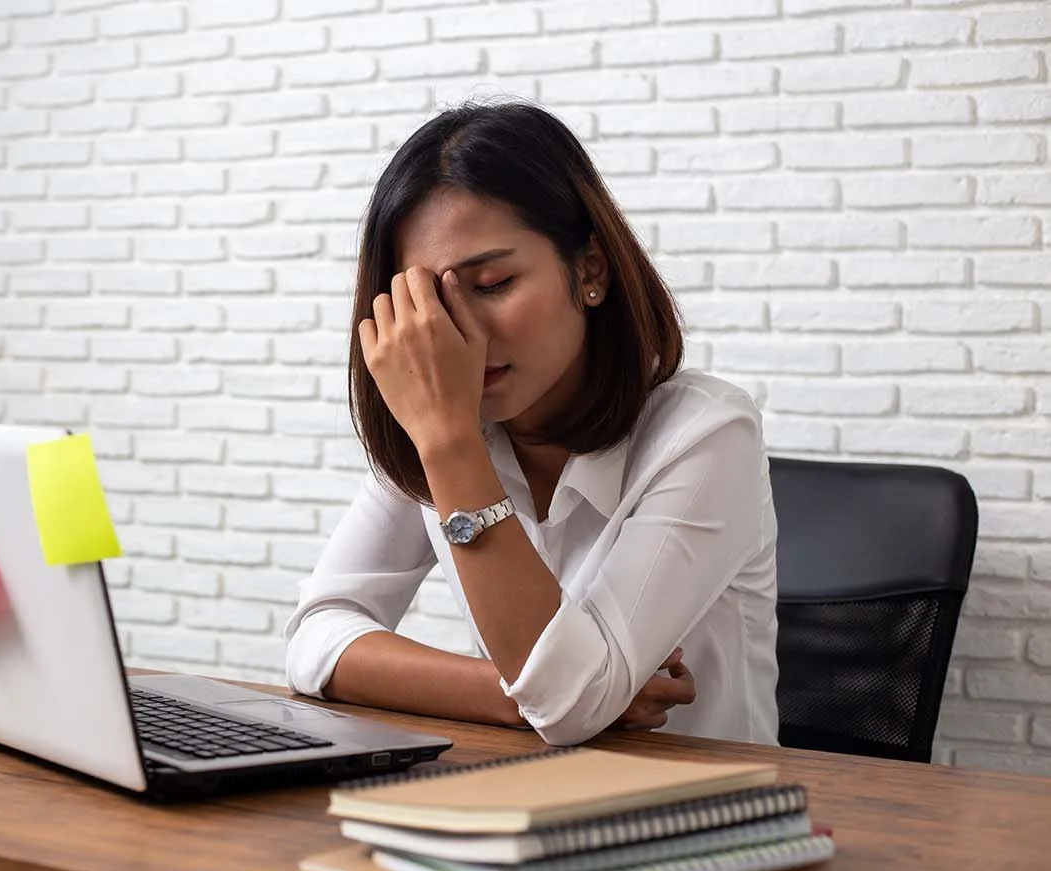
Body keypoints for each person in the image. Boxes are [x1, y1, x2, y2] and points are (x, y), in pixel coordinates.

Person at [283, 101, 779, 747]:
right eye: (429, 300)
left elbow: (569, 706)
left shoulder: (709, 436)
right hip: (532, 803)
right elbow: (316, 636)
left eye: (491, 283)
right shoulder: (445, 428)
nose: (460, 332)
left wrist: (450, 443)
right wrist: (515, 692)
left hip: (703, 816)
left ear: (590, 270)